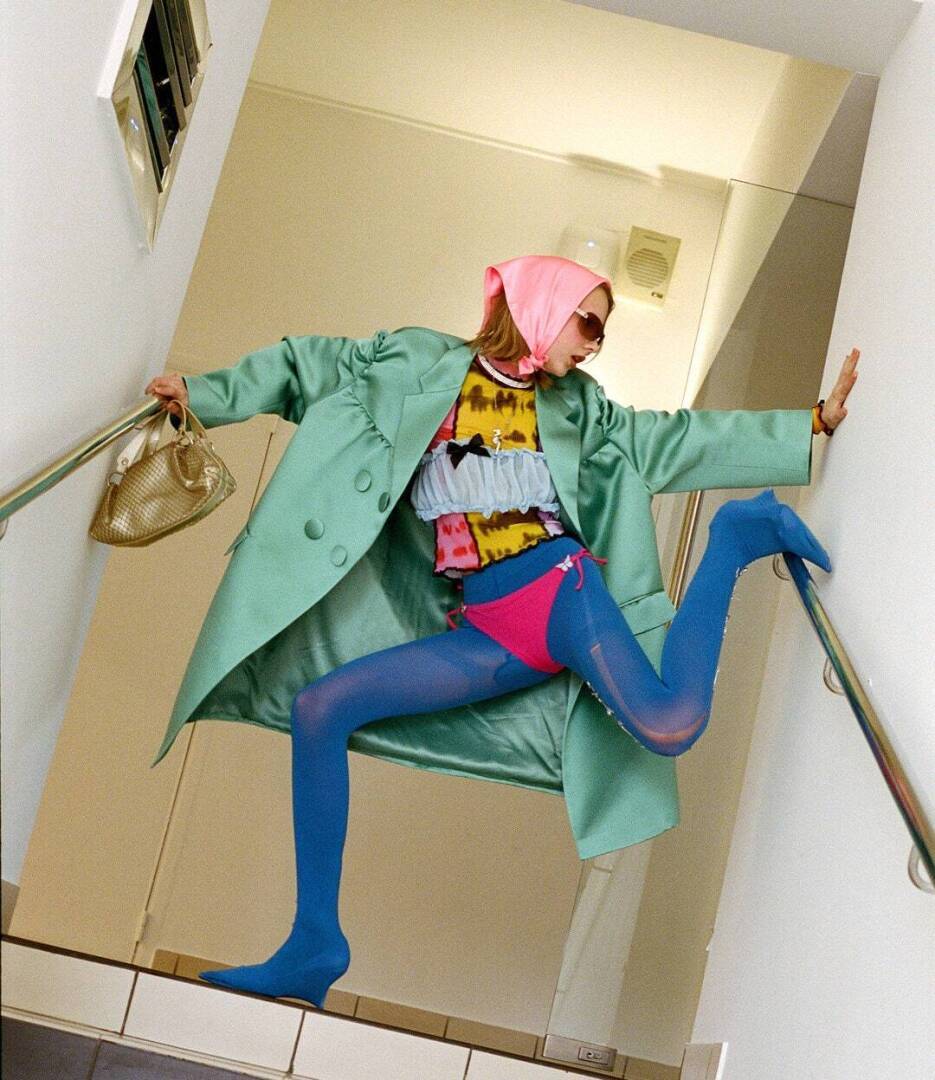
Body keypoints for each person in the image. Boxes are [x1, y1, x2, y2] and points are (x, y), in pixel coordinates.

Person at [145, 255, 859, 1008]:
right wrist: (205, 395)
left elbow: (670, 440)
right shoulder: (414, 362)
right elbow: (307, 366)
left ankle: (733, 536)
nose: (594, 344)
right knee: (319, 708)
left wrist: (807, 424)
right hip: (491, 626)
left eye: (602, 332)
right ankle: (314, 941)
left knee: (671, 723)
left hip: (560, 589)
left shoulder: (579, 409)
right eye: (588, 323)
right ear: (542, 304)